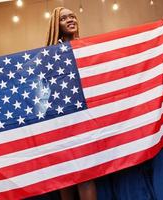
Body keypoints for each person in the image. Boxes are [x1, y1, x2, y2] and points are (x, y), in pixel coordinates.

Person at [45, 7, 97, 200]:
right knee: (65, 175)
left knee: (85, 173)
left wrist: (157, 32)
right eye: (63, 18)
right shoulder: (49, 54)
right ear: (55, 25)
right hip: (60, 119)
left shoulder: (87, 47)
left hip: (83, 117)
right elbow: (20, 73)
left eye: (72, 16)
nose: (70, 20)